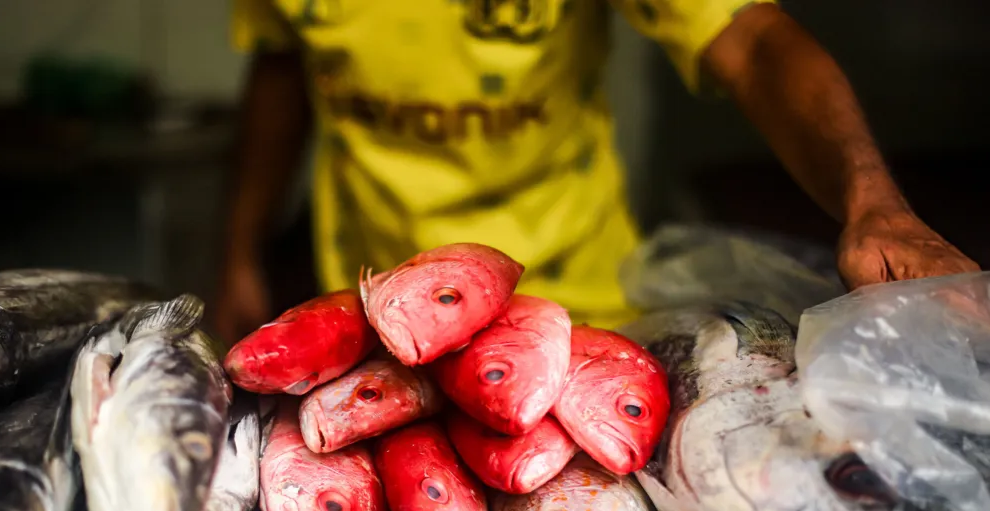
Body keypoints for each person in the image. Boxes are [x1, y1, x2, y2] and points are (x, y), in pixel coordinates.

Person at [214, 0, 979, 345]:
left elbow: (750, 41)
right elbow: (281, 67)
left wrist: (872, 200)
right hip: (379, 313)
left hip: (576, 316)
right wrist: (240, 255)